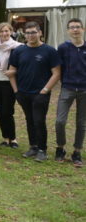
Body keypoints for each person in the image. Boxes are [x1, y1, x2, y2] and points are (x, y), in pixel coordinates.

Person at [9, 21, 61, 162]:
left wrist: (45, 90)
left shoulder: (49, 51)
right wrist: (16, 91)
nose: (31, 35)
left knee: (39, 121)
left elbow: (56, 73)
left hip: (41, 93)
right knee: (29, 120)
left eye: (33, 32)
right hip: (23, 92)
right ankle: (33, 147)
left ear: (40, 33)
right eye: (28, 33)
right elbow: (12, 72)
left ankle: (42, 150)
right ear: (24, 34)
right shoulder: (19, 51)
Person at [55, 18, 86, 167]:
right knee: (60, 121)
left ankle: (77, 151)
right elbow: (58, 68)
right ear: (68, 31)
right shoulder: (63, 48)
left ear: (83, 29)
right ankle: (60, 148)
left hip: (84, 90)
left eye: (78, 27)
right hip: (67, 88)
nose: (75, 30)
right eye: (72, 27)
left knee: (81, 123)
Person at [0, 22, 22, 148]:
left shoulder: (17, 47)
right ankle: (5, 138)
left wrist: (14, 71)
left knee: (8, 111)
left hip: (8, 83)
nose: (4, 34)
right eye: (1, 31)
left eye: (6, 31)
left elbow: (21, 65)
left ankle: (13, 138)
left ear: (11, 32)